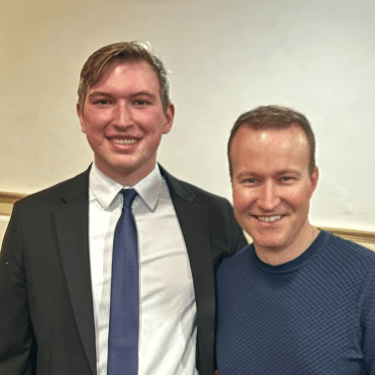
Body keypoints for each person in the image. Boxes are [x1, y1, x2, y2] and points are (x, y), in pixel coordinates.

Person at [0, 41, 247, 375]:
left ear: (167, 116)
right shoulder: (33, 220)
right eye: (104, 101)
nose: (122, 120)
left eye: (140, 102)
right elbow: (11, 354)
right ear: (81, 115)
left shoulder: (216, 218)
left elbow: (240, 338)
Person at [215, 105, 375, 374]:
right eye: (251, 180)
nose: (267, 201)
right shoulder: (223, 278)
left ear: (312, 181)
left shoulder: (366, 280)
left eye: (286, 179)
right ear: (232, 184)